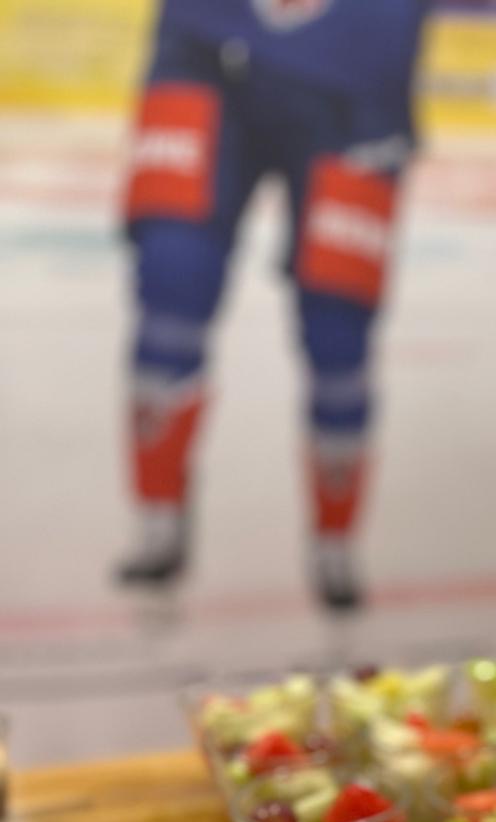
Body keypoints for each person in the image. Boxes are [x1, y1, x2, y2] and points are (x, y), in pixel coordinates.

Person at [116, 0, 433, 610]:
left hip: (359, 76)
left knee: (339, 322)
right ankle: (158, 518)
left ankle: (335, 541)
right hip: (204, 43)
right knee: (172, 275)